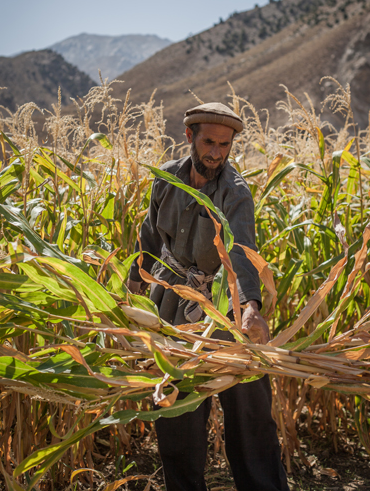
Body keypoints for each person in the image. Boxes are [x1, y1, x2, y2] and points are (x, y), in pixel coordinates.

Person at [128, 102, 289, 491]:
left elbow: (242, 253)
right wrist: (132, 288)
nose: (216, 152)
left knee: (249, 413)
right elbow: (150, 238)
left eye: (225, 145)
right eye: (209, 142)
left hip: (225, 308)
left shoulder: (236, 194)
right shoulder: (165, 179)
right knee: (176, 412)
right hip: (171, 307)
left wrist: (250, 308)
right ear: (189, 137)